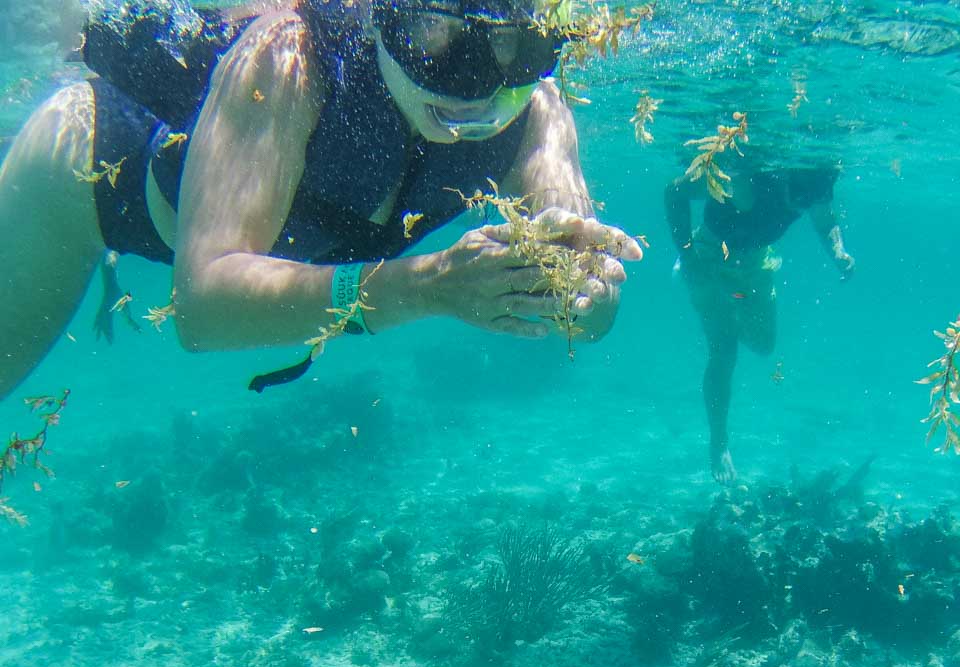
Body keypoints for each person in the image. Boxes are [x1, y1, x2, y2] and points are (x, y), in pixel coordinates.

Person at [0, 0, 642, 401]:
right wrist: (434, 286)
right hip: (89, 173)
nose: (472, 86)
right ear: (378, 15)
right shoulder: (290, 56)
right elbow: (203, 309)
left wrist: (587, 293)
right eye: (431, 33)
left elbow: (580, 296)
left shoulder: (536, 111)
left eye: (509, 43)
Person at [665, 156, 855, 483]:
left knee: (764, 345)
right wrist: (687, 253)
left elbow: (825, 221)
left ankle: (725, 304)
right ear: (786, 176)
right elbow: (674, 191)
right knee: (724, 351)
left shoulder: (816, 182)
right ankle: (719, 443)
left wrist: (838, 252)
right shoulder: (746, 177)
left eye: (808, 200)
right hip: (711, 255)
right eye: (798, 198)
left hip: (755, 262)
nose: (802, 205)